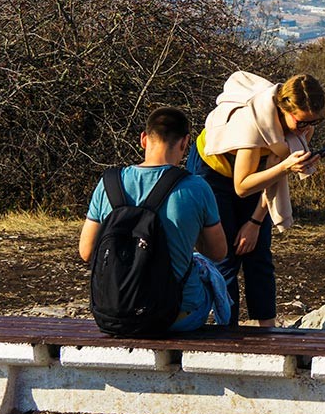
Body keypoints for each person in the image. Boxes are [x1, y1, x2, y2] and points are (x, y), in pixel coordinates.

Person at [186, 72, 325, 326]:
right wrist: (284, 167)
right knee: (225, 254)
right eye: (301, 123)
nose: (306, 129)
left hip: (255, 174)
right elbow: (241, 186)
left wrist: (254, 222)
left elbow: (271, 180)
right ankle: (226, 329)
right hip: (213, 170)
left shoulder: (303, 125)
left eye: (314, 121)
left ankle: (267, 331)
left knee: (258, 252)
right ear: (285, 109)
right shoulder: (251, 123)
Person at [79, 107, 230, 331]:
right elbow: (219, 252)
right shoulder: (197, 187)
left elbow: (87, 252)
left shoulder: (108, 184)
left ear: (143, 139)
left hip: (113, 314)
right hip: (175, 316)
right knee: (209, 272)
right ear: (185, 142)